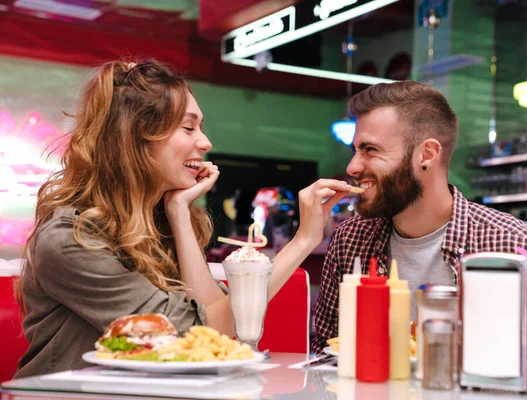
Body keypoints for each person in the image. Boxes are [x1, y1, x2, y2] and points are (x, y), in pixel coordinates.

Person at [14, 59, 353, 378]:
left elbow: (217, 332)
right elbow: (202, 334)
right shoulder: (71, 239)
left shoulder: (162, 223)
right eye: (188, 128)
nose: (205, 142)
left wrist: (178, 213)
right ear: (134, 139)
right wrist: (303, 242)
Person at [311, 81, 527, 353]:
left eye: (370, 150)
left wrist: (521, 349)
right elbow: (324, 351)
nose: (352, 167)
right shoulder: (350, 241)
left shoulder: (517, 244)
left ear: (427, 154)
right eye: (355, 150)